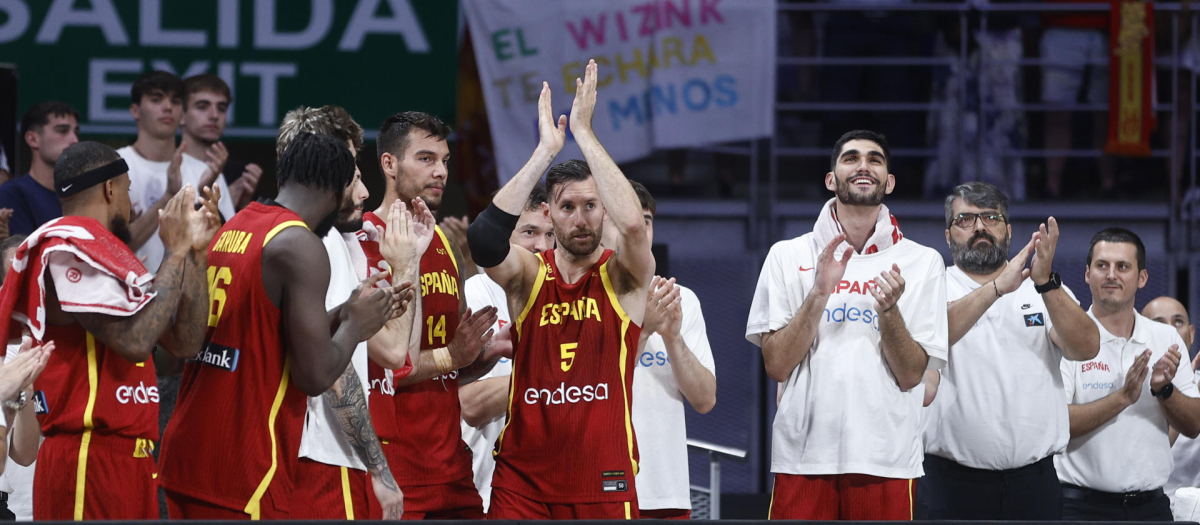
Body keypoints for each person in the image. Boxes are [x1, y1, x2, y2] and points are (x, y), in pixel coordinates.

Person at [157, 132, 403, 519]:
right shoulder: (300, 245)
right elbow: (313, 375)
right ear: (335, 187)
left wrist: (343, 311)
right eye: (352, 182)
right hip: (244, 468)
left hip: (188, 452)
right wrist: (357, 326)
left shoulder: (237, 225)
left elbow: (262, 336)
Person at [466, 60, 656, 519]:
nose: (581, 217)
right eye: (567, 207)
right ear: (549, 214)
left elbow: (633, 224)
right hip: (522, 484)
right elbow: (483, 241)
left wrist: (586, 135)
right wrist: (544, 152)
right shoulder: (529, 275)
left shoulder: (623, 276)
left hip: (603, 482)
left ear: (603, 210)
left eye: (591, 205)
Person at [0, 141, 216, 519]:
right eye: (128, 190)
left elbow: (184, 343)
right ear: (109, 189)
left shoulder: (111, 255)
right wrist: (175, 253)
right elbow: (135, 341)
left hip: (133, 457)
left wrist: (195, 255)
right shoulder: (65, 246)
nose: (130, 204)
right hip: (87, 455)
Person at [746, 129, 948, 520]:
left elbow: (911, 377)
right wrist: (819, 293)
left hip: (886, 460)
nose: (863, 166)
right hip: (803, 458)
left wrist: (889, 311)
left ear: (888, 182)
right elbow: (776, 365)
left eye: (875, 159)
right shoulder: (787, 255)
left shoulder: (923, 262)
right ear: (831, 179)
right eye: (851, 158)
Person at [917, 182, 1100, 519]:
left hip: (1034, 484)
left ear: (1009, 231)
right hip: (949, 483)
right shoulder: (932, 285)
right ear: (947, 236)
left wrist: (1045, 282)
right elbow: (927, 340)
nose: (980, 227)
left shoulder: (1042, 289)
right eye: (966, 219)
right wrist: (998, 288)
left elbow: (1086, 348)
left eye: (990, 217)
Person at [273, 106, 416, 519]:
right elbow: (336, 373)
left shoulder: (277, 231)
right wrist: (379, 468)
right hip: (325, 458)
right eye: (351, 170)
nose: (362, 190)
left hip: (299, 452)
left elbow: (397, 354)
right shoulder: (318, 244)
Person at [359, 110, 500, 520]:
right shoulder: (362, 244)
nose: (439, 172)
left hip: (454, 471)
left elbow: (451, 363)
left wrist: (478, 357)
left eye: (444, 161)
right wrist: (452, 357)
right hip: (395, 474)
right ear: (389, 164)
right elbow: (374, 370)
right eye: (425, 159)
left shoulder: (442, 241)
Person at [1057, 228, 1200, 521]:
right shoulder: (1065, 336)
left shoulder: (1167, 338)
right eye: (1102, 265)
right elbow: (1057, 425)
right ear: (1087, 274)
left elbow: (1194, 425)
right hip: (1079, 507)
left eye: (1122, 266)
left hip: (1152, 507)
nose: (1112, 275)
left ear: (1142, 277)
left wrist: (1165, 390)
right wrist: (1122, 398)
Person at [624, 181, 717, 519]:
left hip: (665, 492)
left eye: (645, 221)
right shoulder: (584, 296)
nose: (637, 229)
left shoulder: (682, 299)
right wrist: (645, 331)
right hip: (598, 491)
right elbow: (593, 380)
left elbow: (705, 401)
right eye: (628, 220)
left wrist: (673, 337)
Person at [459, 184, 553, 513]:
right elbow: (468, 406)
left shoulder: (566, 301)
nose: (542, 246)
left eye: (550, 234)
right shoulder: (473, 297)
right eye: (530, 232)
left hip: (550, 491)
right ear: (503, 237)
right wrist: (549, 379)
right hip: (483, 492)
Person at [118, 71, 225, 272]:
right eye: (156, 100)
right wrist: (168, 196)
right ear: (135, 110)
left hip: (191, 298)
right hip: (128, 298)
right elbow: (107, 249)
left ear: (182, 113)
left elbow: (227, 251)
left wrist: (205, 199)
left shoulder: (206, 172)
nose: (168, 107)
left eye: (175, 102)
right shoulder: (115, 166)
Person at [1143, 296, 1200, 504]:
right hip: (1145, 507)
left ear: (1191, 334)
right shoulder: (1130, 388)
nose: (1171, 332)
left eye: (1178, 322)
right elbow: (1144, 463)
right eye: (1159, 323)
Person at [0, 101, 78, 236]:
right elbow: (21, 254)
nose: (74, 140)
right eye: (62, 131)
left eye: (75, 132)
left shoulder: (82, 195)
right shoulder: (11, 194)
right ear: (32, 139)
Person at [177, 74, 245, 220]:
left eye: (221, 108)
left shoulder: (223, 174)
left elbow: (225, 241)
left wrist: (243, 206)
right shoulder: (168, 168)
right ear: (181, 115)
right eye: (202, 107)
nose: (214, 115)